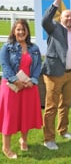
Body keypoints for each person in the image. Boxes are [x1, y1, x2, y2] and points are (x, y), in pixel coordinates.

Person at [42, 0, 71, 150]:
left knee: (65, 104)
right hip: (54, 73)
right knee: (51, 107)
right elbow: (45, 20)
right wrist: (56, 3)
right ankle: (48, 139)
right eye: (67, 17)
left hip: (69, 74)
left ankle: (63, 130)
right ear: (60, 18)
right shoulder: (55, 28)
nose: (70, 19)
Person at [0, 19, 43, 159]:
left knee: (26, 115)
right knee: (10, 116)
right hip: (11, 87)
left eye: (23, 29)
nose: (21, 32)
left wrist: (33, 80)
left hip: (28, 86)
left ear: (27, 32)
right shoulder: (6, 47)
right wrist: (15, 80)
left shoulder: (34, 48)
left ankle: (23, 140)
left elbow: (37, 67)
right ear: (13, 31)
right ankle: (6, 147)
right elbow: (4, 65)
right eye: (18, 29)